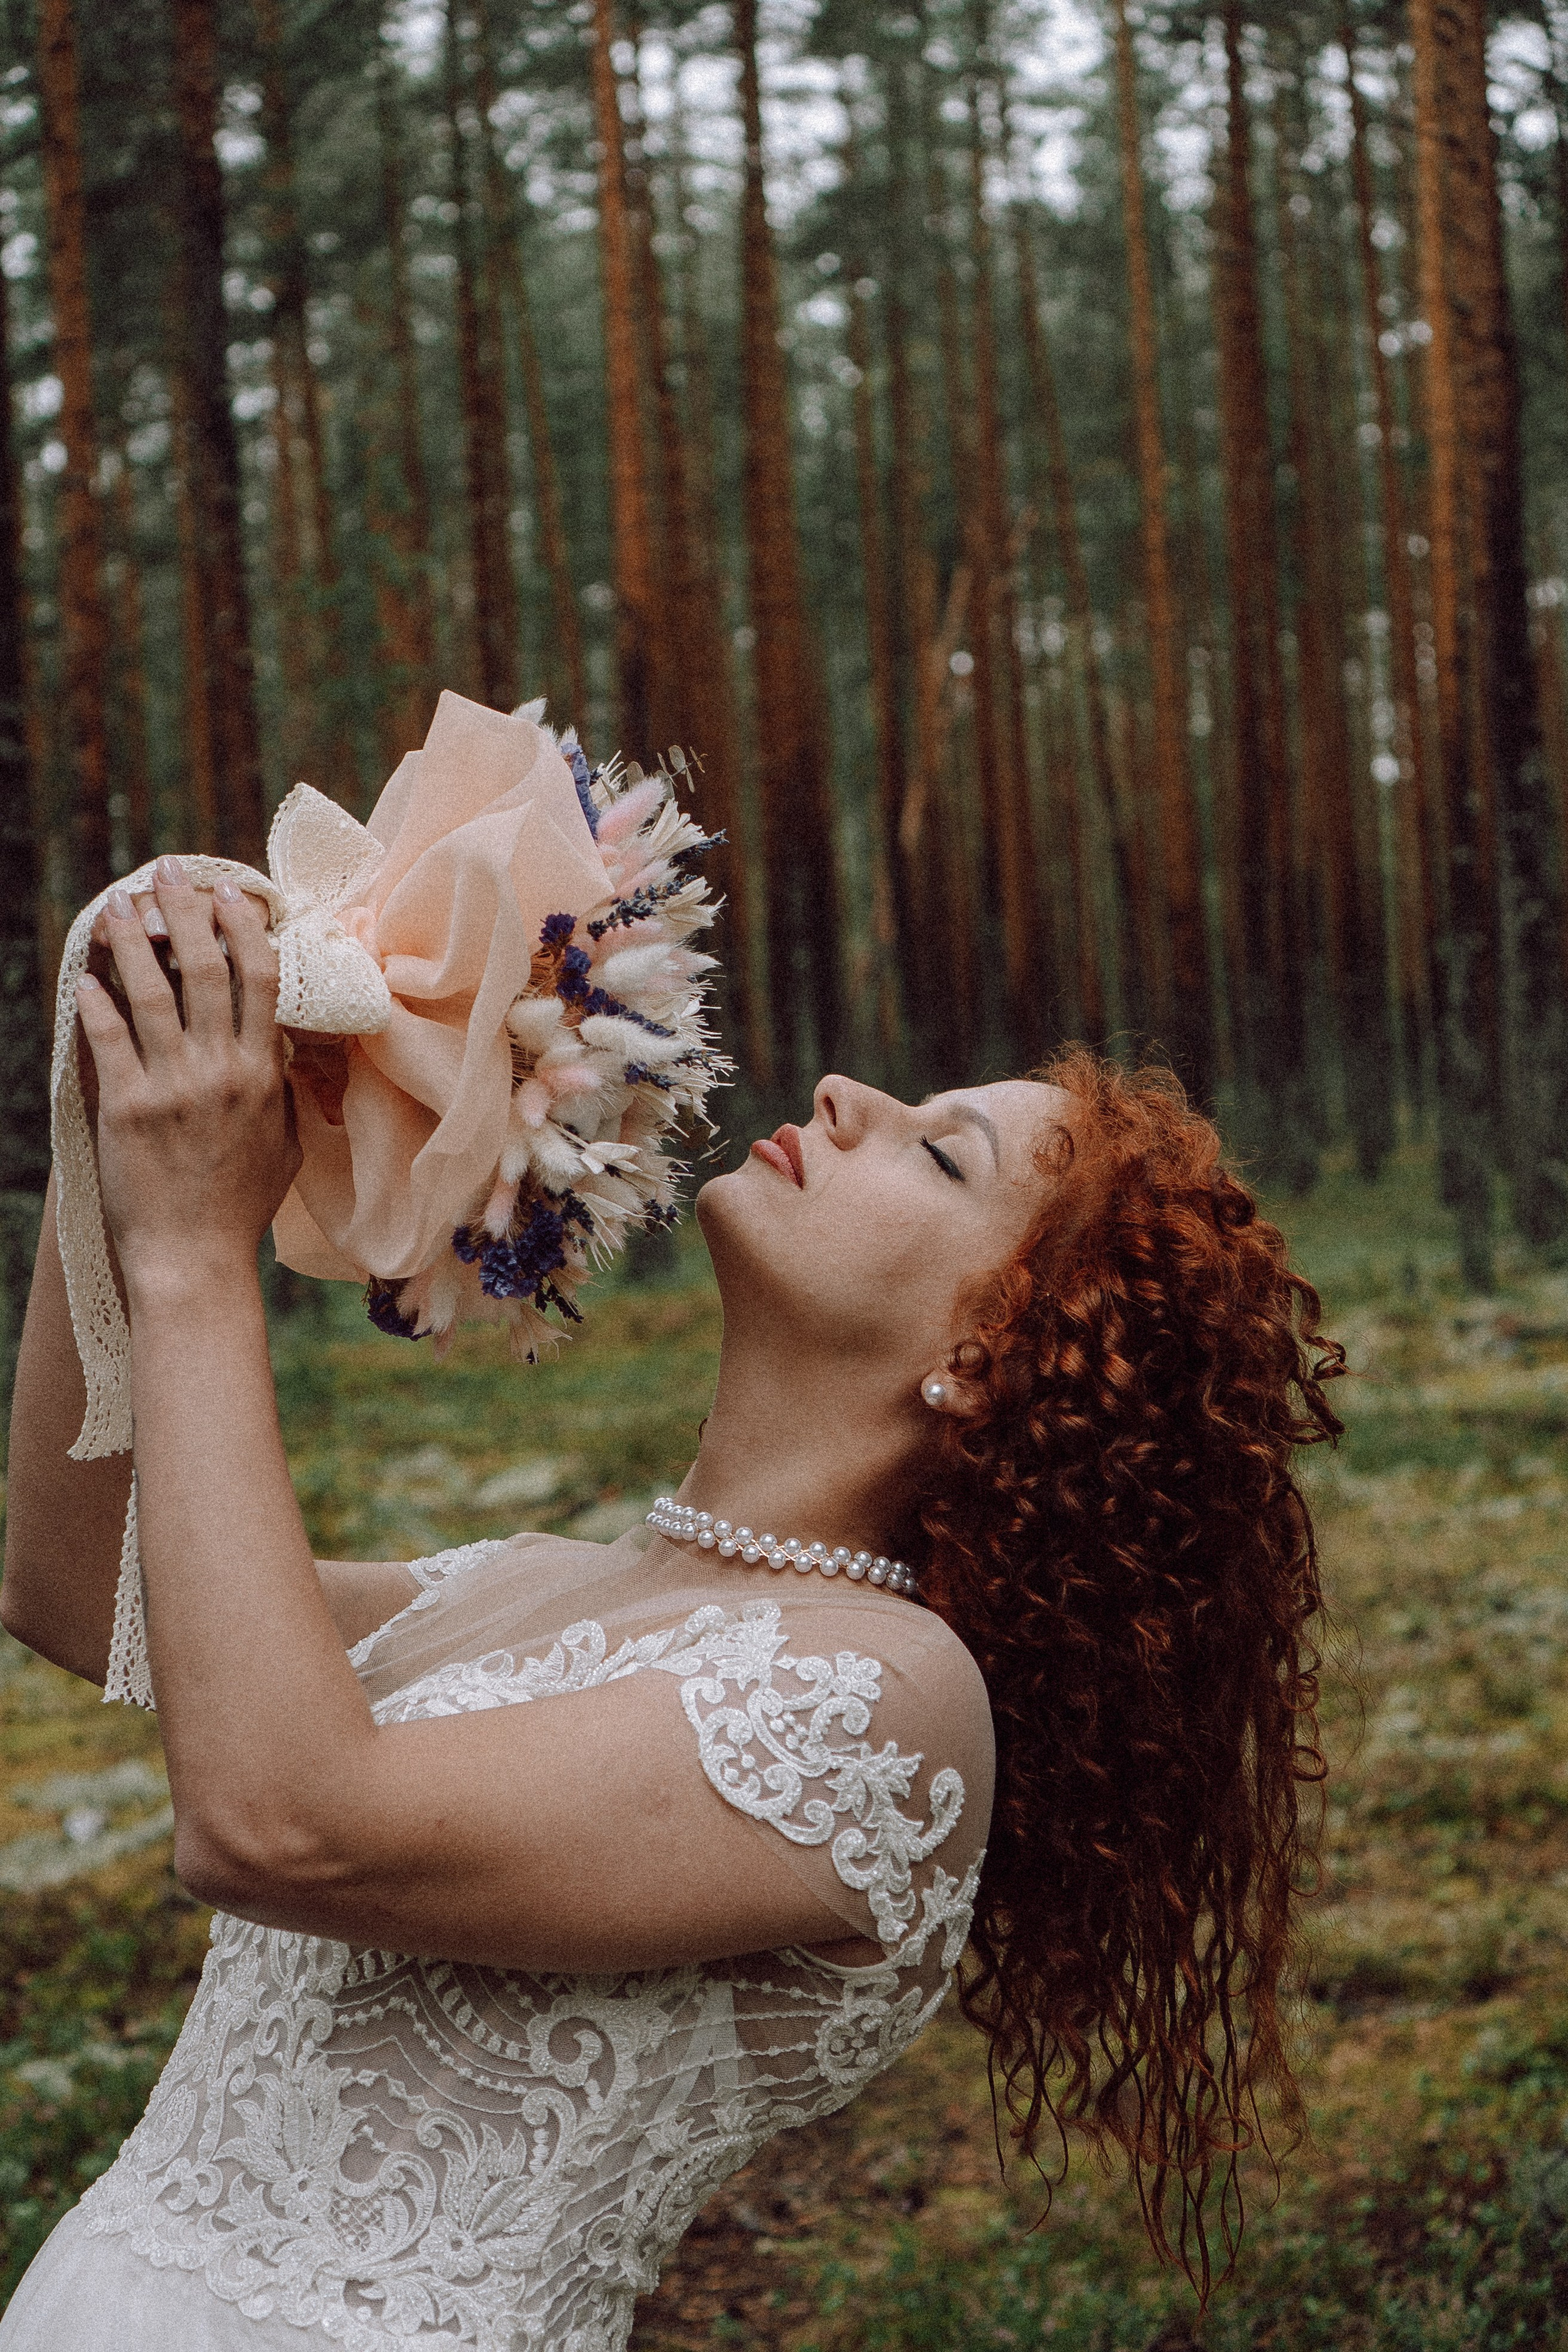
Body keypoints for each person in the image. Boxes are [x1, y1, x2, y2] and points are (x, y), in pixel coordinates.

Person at [0, 868, 1343, 2350]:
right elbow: (76, 1583)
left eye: (936, 1153)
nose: (844, 1095)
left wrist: (195, 1251)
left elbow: (277, 1824)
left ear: (982, 1355)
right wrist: (121, 1110)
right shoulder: (532, 1580)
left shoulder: (886, 1702)